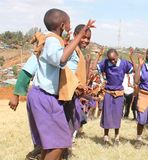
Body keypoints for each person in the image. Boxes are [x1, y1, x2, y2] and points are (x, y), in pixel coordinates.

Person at [26, 8, 95, 160]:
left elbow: (64, 71)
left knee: (51, 144)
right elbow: (62, 59)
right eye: (69, 23)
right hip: (44, 96)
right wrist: (80, 35)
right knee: (59, 142)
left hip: (48, 97)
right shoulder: (51, 40)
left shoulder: (54, 41)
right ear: (63, 25)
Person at [92, 48, 133, 146]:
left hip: (119, 94)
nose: (112, 61)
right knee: (107, 115)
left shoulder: (124, 64)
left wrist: (131, 58)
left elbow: (134, 69)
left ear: (117, 56)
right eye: (110, 59)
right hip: (108, 93)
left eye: (114, 59)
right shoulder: (105, 63)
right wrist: (99, 55)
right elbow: (94, 68)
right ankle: (106, 137)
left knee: (117, 115)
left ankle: (117, 137)